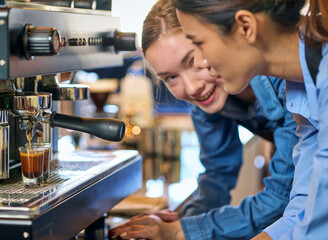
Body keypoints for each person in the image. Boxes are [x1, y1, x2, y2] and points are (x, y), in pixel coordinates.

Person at [108, 0, 298, 239]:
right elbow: (217, 175)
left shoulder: (291, 82)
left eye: (192, 60)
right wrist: (187, 219)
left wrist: (181, 231)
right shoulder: (206, 102)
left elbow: (283, 197)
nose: (192, 87)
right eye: (170, 77)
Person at [171, 0, 328, 239]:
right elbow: (301, 216)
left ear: (246, 27)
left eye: (199, 44)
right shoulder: (300, 91)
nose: (201, 63)